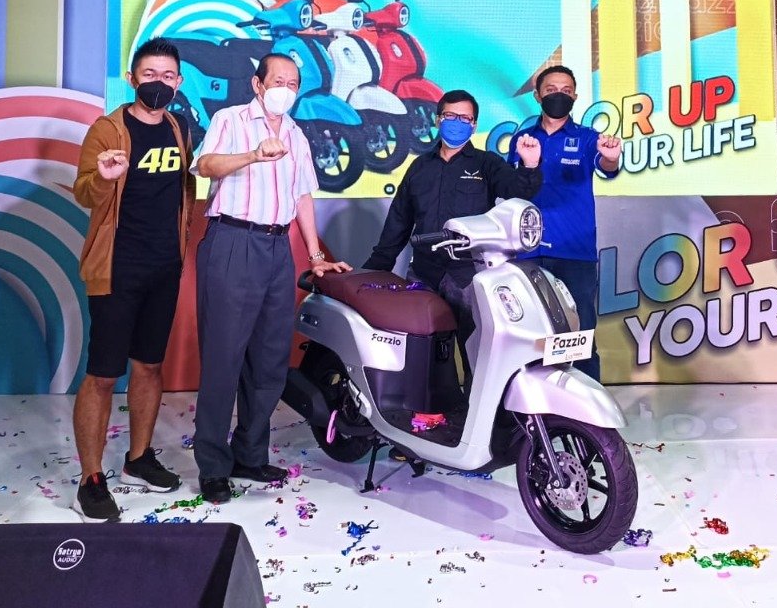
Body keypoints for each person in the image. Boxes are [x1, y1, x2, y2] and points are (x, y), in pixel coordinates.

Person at [192, 52, 350, 506]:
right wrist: (252, 155)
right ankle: (213, 465)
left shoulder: (297, 133)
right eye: (278, 81)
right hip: (232, 241)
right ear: (258, 85)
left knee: (270, 359)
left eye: (293, 83)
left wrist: (315, 255)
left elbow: (302, 196)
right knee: (223, 358)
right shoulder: (230, 119)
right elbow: (205, 166)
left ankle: (249, 454)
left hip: (278, 249)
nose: (286, 89)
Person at [71, 38, 195, 523]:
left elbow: (185, 186)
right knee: (103, 374)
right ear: (131, 78)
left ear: (178, 82)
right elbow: (85, 193)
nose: (158, 83)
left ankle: (138, 458)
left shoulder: (180, 128)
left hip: (165, 267)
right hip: (117, 268)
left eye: (167, 76)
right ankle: (90, 478)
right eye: (149, 75)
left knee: (149, 366)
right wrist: (104, 177)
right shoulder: (107, 129)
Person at [363, 89, 543, 376]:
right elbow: (399, 220)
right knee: (423, 355)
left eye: (464, 118)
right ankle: (433, 405)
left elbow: (518, 191)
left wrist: (530, 165)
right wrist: (375, 268)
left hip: (469, 276)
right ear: (438, 120)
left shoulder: (487, 163)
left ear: (474, 125)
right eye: (450, 116)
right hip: (423, 275)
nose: (456, 123)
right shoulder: (420, 167)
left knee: (477, 353)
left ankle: (475, 406)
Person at [509, 65, 622, 380]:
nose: (558, 95)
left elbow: (607, 166)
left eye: (566, 91)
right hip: (528, 251)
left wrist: (611, 156)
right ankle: (535, 400)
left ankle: (586, 403)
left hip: (575, 251)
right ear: (537, 96)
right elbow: (512, 188)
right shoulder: (523, 139)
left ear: (575, 96)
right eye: (551, 90)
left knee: (580, 333)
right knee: (532, 333)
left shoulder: (587, 138)